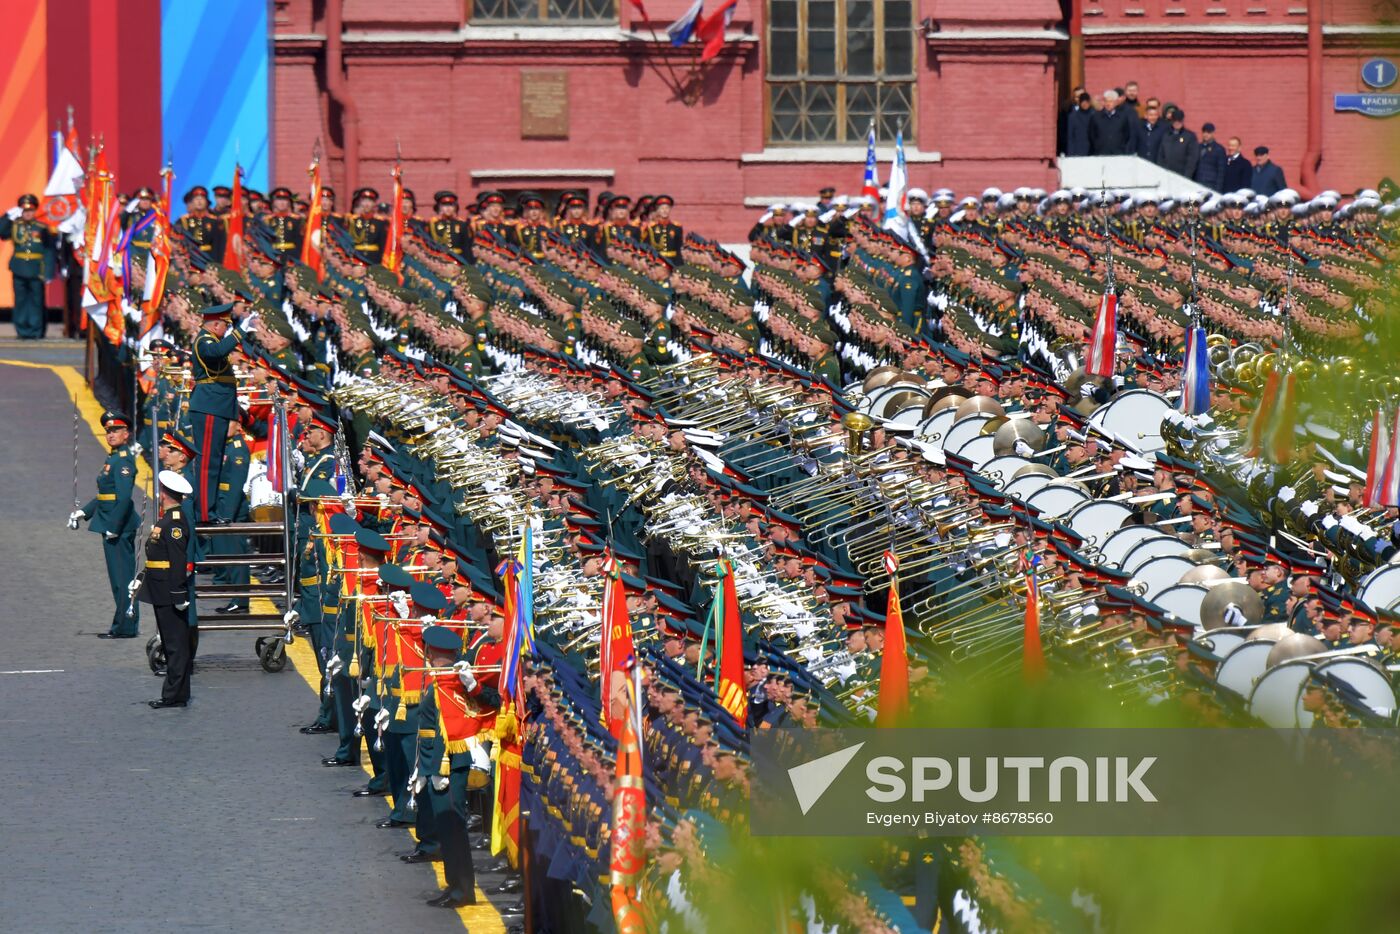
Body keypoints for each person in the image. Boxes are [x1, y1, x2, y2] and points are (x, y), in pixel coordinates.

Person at [70, 411, 142, 638]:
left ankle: (126, 626)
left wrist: (115, 526)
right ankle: (121, 623)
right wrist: (84, 512)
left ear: (126, 434)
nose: (110, 435)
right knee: (118, 579)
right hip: (110, 523)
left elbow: (123, 498)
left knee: (123, 580)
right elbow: (105, 495)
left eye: (116, 431)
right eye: (108, 431)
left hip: (118, 526)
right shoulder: (113, 457)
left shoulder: (123, 461)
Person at [188, 303, 255, 523]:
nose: (226, 329)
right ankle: (205, 513)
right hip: (209, 406)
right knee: (208, 462)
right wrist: (240, 331)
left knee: (214, 461)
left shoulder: (213, 340)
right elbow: (216, 352)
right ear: (215, 324)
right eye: (225, 325)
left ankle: (209, 510)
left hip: (215, 407)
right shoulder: (205, 340)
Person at [140, 470, 197, 708]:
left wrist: (178, 594)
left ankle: (173, 695)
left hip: (168, 590)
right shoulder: (169, 519)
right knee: (174, 642)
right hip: (160, 586)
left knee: (175, 645)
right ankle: (178, 693)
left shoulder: (174, 522)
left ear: (165, 494)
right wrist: (142, 577)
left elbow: (176, 560)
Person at [0, 193, 56, 339]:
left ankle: (36, 330)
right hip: (19, 268)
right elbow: (2, 232)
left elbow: (49, 250)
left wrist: (49, 272)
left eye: (30, 210)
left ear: (35, 211)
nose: (28, 214)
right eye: (24, 211)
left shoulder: (42, 228)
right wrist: (8, 216)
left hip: (37, 269)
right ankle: (22, 330)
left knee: (36, 301)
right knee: (20, 301)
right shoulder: (14, 225)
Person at [1156, 109, 1199, 179]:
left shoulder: (1190, 136)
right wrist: (1162, 172)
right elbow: (1161, 156)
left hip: (1182, 176)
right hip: (1167, 175)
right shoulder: (1166, 135)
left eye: (1179, 121)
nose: (1177, 123)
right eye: (1175, 120)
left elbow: (1192, 159)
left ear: (1182, 121)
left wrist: (1187, 176)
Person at [1089, 89, 1133, 156]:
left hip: (1118, 152)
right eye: (1106, 101)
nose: (1108, 104)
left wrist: (1120, 145)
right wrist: (1098, 145)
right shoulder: (1096, 117)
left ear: (1116, 102)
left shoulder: (1122, 117)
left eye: (1111, 101)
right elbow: (1091, 135)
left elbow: (1126, 135)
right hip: (1101, 152)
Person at [1195, 123, 1226, 192]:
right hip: (1198, 182)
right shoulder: (1198, 147)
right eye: (1204, 132)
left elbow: (1221, 171)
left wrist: (1218, 189)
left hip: (1211, 184)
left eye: (1208, 132)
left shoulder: (1219, 149)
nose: (1205, 134)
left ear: (1213, 133)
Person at [1064, 92, 1093, 157]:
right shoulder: (1072, 117)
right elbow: (1070, 137)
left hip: (1091, 151)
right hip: (1077, 151)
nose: (1085, 104)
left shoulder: (1094, 116)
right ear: (1079, 102)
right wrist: (1070, 154)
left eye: (1087, 102)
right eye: (1083, 101)